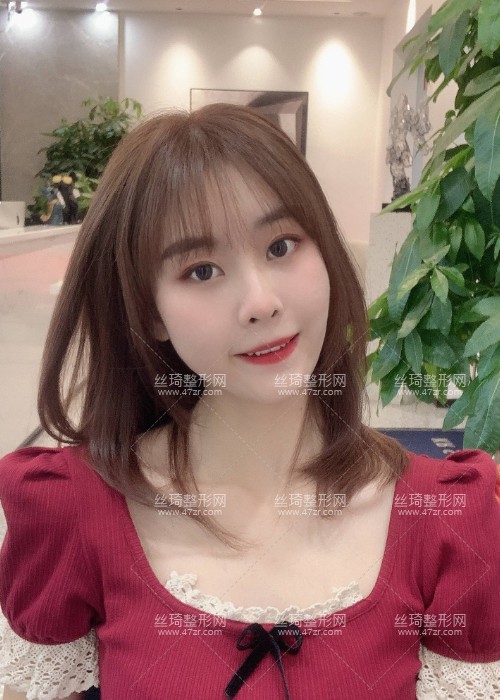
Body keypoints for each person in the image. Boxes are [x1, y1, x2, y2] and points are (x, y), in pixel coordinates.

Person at [0, 104, 499, 700]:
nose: (260, 302)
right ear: (149, 312)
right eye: (201, 270)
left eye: (282, 245)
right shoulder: (74, 512)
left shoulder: (444, 519)